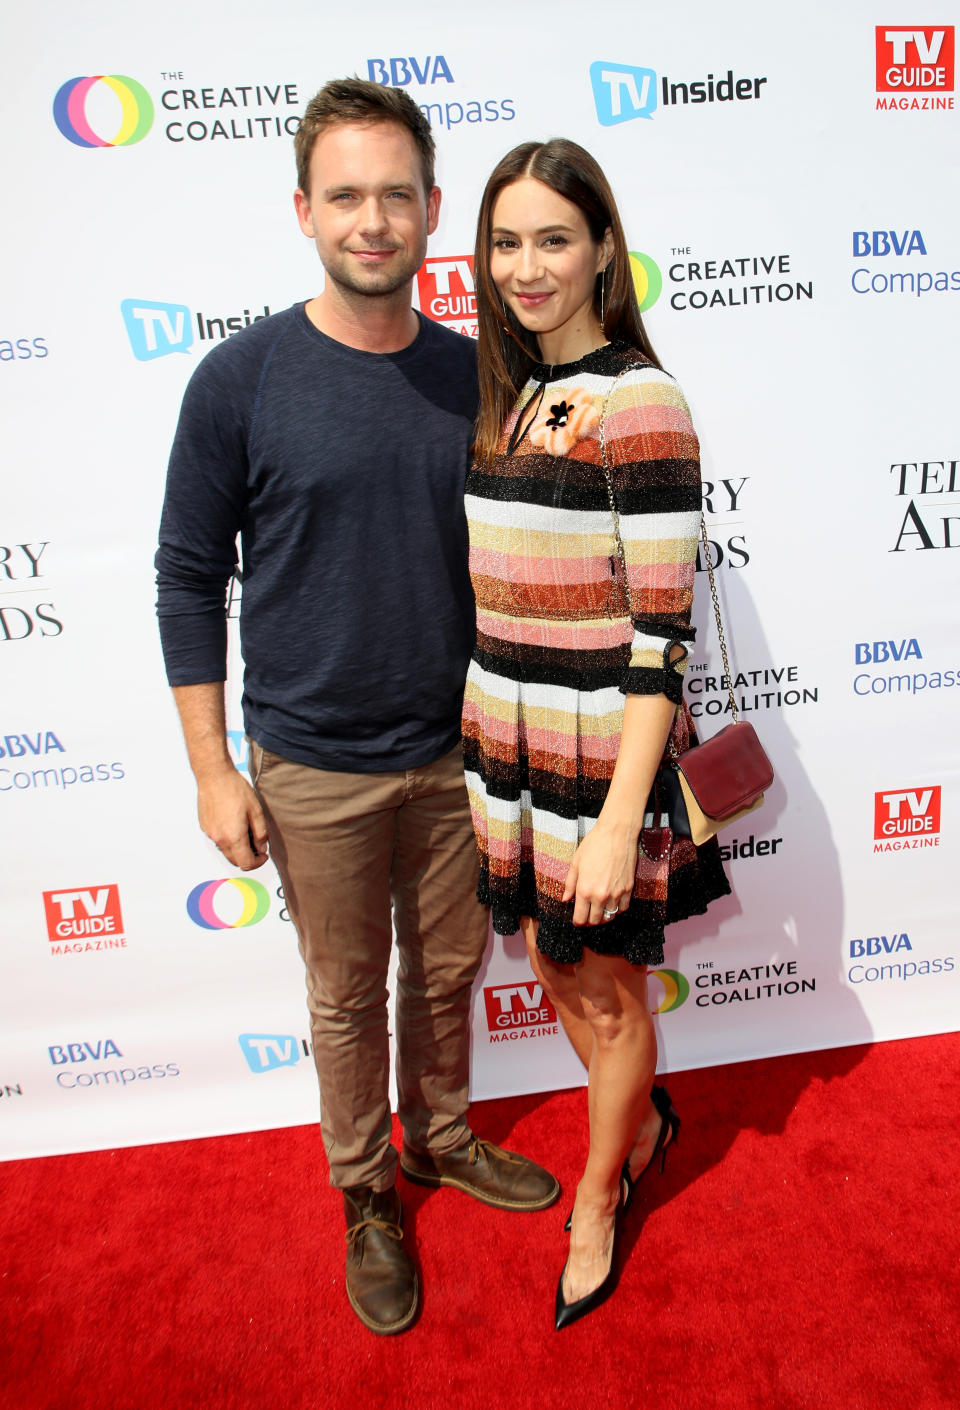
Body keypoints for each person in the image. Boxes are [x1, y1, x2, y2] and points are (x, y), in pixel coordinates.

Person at [155, 78, 558, 1338]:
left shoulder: (479, 374)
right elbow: (185, 573)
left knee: (446, 974)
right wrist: (214, 769)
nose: (373, 220)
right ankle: (367, 1194)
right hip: (311, 762)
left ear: (435, 209)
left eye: (397, 194)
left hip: (456, 750)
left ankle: (440, 1140)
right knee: (344, 993)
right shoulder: (242, 378)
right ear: (303, 209)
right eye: (347, 196)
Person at [463, 139, 731, 1329]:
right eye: (508, 242)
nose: (529, 267)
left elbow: (661, 639)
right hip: (507, 750)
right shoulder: (511, 395)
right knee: (560, 979)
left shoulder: (644, 402)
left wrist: (622, 823)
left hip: (595, 763)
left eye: (555, 239)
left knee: (612, 996)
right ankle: (648, 1121)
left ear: (606, 250)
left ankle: (597, 1195)